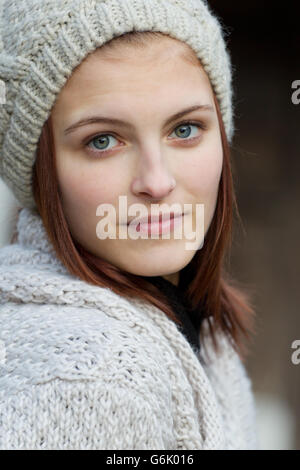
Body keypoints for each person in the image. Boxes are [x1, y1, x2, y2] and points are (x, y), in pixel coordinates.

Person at [0, 0, 259, 450]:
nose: (156, 183)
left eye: (185, 129)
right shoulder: (93, 378)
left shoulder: (201, 332)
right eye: (103, 141)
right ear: (41, 170)